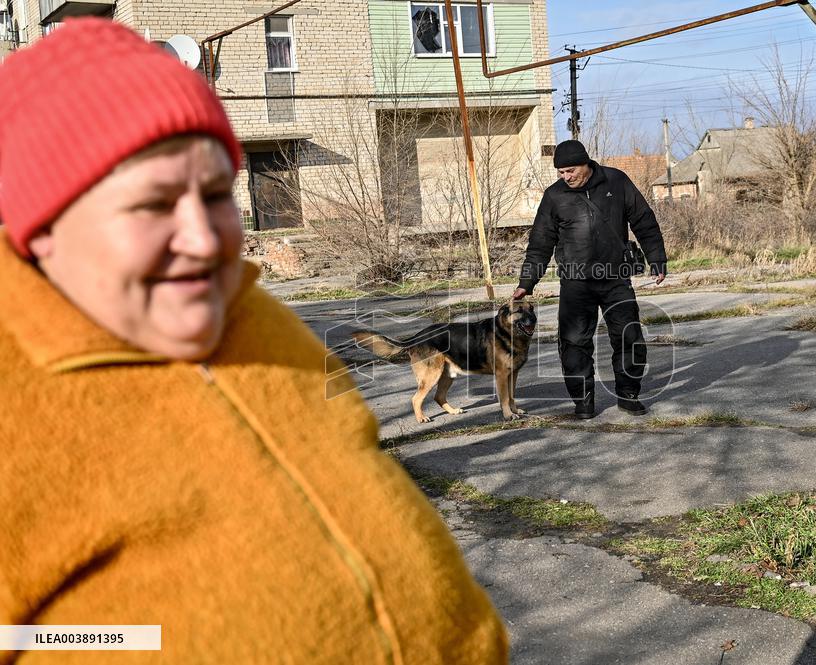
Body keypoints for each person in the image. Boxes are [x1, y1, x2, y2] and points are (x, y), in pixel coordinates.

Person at [0, 18, 506, 664]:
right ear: (43, 230)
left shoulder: (254, 316)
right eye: (153, 205)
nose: (206, 239)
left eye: (215, 195)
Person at [512, 140, 667, 419]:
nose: (566, 177)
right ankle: (583, 401)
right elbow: (540, 243)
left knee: (629, 337)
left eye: (570, 170)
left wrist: (657, 258)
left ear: (586, 164)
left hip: (616, 279)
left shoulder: (616, 181)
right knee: (574, 343)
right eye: (561, 173)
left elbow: (643, 220)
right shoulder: (554, 196)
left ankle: (628, 395)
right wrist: (527, 282)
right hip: (575, 283)